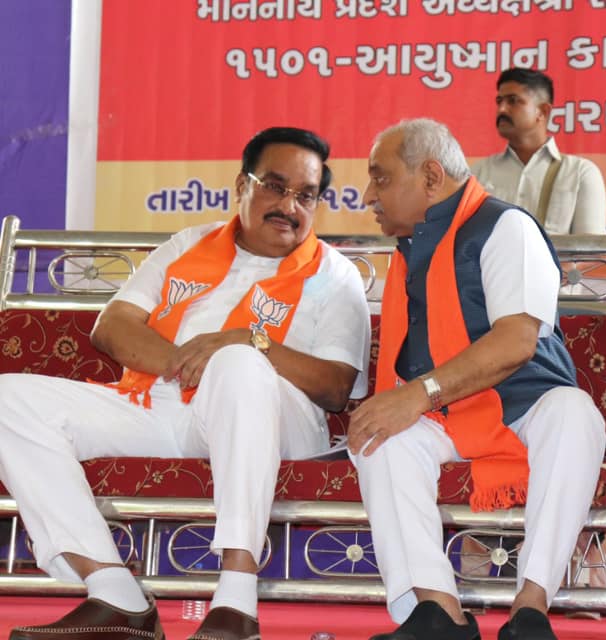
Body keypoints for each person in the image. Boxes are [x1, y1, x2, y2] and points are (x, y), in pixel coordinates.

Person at [0, 126, 371, 640]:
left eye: (305, 195)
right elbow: (113, 327)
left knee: (237, 363)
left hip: (274, 421)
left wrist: (248, 342)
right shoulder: (189, 243)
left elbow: (337, 388)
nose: (289, 206)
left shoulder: (334, 273)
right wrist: (186, 363)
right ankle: (116, 595)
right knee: (9, 400)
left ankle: (236, 601)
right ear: (242, 184)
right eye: (275, 186)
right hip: (164, 403)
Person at [349, 117, 605, 640]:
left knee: (576, 414)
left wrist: (418, 395)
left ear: (431, 176)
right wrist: (409, 401)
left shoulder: (505, 227)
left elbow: (516, 342)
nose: (368, 196)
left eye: (380, 178)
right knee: (378, 438)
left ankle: (531, 607)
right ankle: (438, 611)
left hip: (524, 402)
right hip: (445, 412)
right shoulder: (413, 247)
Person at [470, 67, 606, 235]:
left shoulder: (580, 172)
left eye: (513, 101)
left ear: (542, 111)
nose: (502, 109)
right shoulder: (478, 173)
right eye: (499, 101)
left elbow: (591, 249)